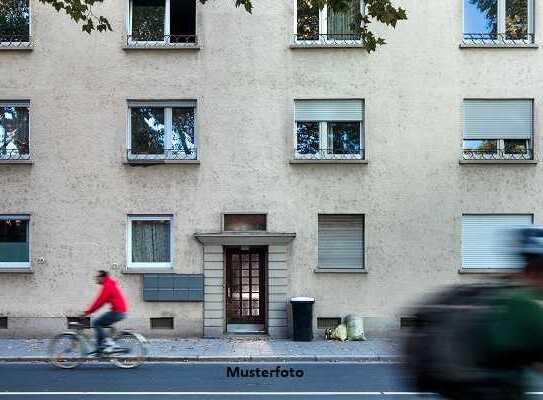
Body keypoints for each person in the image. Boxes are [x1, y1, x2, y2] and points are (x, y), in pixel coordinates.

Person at [84, 270, 128, 354]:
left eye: (97, 277)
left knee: (96, 323)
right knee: (101, 323)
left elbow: (99, 302)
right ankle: (101, 347)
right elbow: (102, 302)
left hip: (118, 312)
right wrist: (89, 311)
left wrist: (87, 312)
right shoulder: (109, 284)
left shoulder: (107, 286)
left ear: (102, 277)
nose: (96, 279)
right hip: (119, 311)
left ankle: (106, 345)